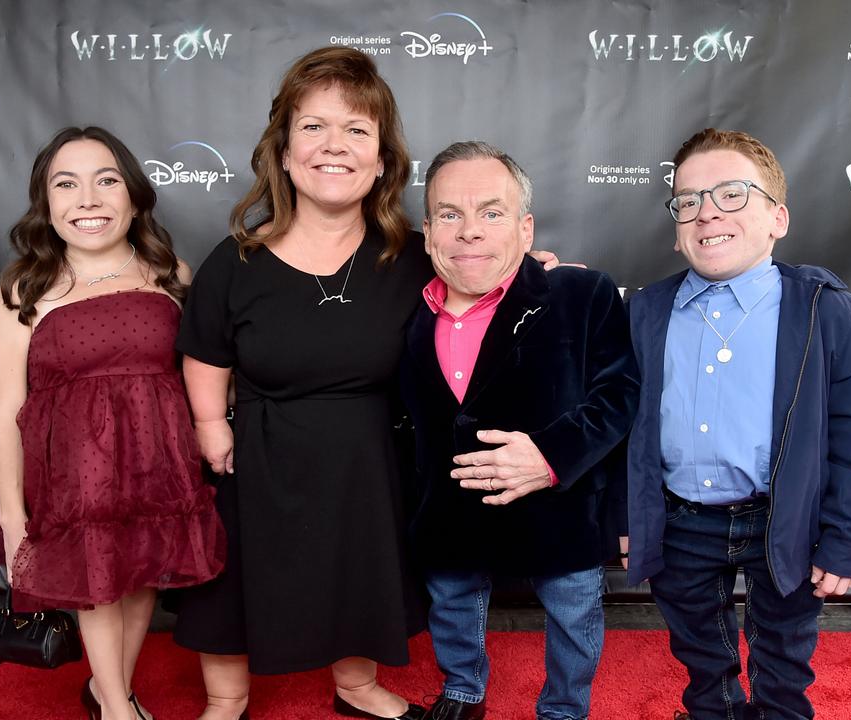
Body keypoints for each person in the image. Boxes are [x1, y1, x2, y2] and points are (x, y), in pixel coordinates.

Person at [172, 48, 560, 720]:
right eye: (314, 127)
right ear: (284, 153)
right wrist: (210, 423)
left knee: (362, 568)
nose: (335, 146)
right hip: (259, 454)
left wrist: (532, 271)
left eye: (357, 130)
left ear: (381, 159)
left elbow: (482, 279)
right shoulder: (235, 261)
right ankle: (225, 699)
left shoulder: (415, 253)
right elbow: (205, 349)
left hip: (373, 455)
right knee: (233, 577)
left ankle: (355, 687)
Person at [623, 128, 851, 720]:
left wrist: (848, 537)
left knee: (784, 658)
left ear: (778, 218)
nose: (707, 211)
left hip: (782, 520)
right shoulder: (645, 311)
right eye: (687, 200)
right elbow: (627, 432)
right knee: (700, 657)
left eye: (732, 194)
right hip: (680, 522)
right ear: (675, 229)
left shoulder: (824, 309)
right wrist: (629, 518)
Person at [0, 126, 226, 720]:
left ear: (134, 195)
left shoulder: (171, 272)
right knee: (97, 582)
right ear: (47, 203)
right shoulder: (26, 285)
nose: (88, 199)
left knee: (141, 575)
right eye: (66, 184)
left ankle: (105, 690)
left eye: (106, 180)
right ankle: (119, 709)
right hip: (77, 478)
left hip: (157, 468)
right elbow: (5, 409)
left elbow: (201, 376)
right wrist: (12, 511)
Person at [400, 141, 638, 720]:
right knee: (452, 603)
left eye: (491, 212)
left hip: (559, 506)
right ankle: (462, 689)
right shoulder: (405, 307)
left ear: (525, 229)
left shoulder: (582, 293)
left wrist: (551, 457)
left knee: (574, 613)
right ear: (428, 230)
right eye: (450, 214)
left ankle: (564, 708)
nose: (469, 231)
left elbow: (620, 394)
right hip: (448, 506)